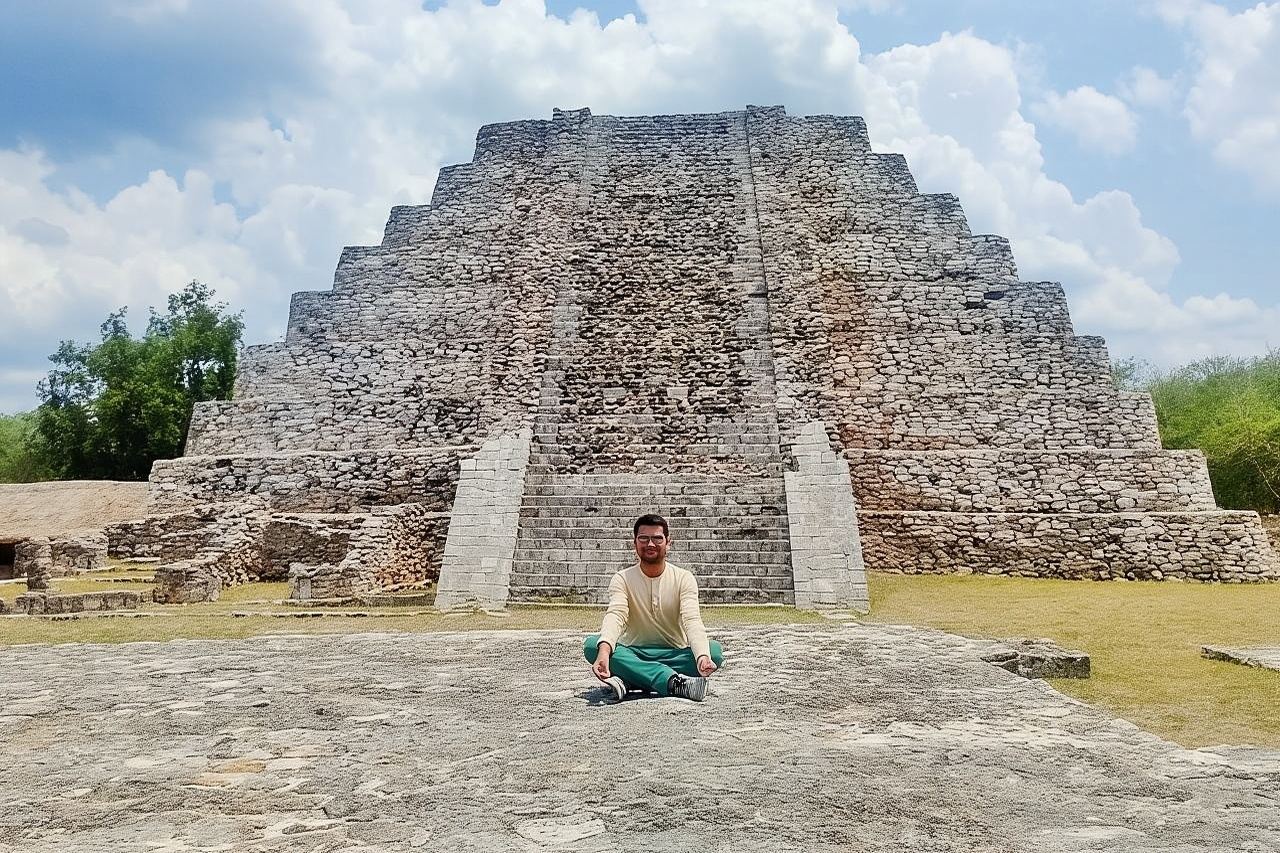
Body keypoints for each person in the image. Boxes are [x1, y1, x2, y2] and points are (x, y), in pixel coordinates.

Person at [582, 513, 725, 702]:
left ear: (668, 543)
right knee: (594, 646)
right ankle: (673, 682)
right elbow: (616, 615)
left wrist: (702, 657)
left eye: (657, 538)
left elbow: (692, 620)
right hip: (633, 651)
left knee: (713, 652)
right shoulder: (622, 579)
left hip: (673, 653)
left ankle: (632, 678)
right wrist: (604, 650)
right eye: (643, 538)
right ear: (635, 543)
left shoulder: (683, 578)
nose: (650, 544)